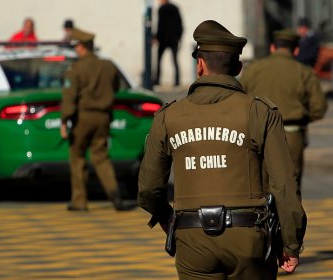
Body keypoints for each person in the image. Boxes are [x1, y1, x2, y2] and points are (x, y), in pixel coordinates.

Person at [138, 20, 306, 279]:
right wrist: (291, 243)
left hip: (192, 239)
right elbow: (283, 184)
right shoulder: (259, 112)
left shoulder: (168, 116)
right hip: (249, 238)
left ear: (200, 65)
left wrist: (166, 219)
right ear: (237, 67)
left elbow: (149, 188)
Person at [240, 29, 327, 194]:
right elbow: (319, 107)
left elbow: (239, 98)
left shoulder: (253, 70)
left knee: (260, 188)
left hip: (258, 135)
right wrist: (302, 117)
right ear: (296, 50)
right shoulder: (304, 72)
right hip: (291, 135)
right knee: (289, 190)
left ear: (272, 48)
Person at [60, 28, 127, 211]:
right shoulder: (107, 65)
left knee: (78, 156)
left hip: (83, 117)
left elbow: (69, 97)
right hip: (104, 117)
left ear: (81, 48)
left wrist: (65, 121)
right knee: (101, 156)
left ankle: (79, 201)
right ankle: (114, 194)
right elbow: (117, 86)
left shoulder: (75, 69)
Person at [153, 0, 183, 87]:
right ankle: (177, 81)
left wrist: (157, 37)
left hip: (163, 39)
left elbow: (160, 25)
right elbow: (180, 24)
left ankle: (157, 80)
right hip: (174, 39)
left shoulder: (161, 9)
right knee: (175, 60)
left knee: (158, 60)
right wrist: (178, 38)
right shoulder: (175, 8)